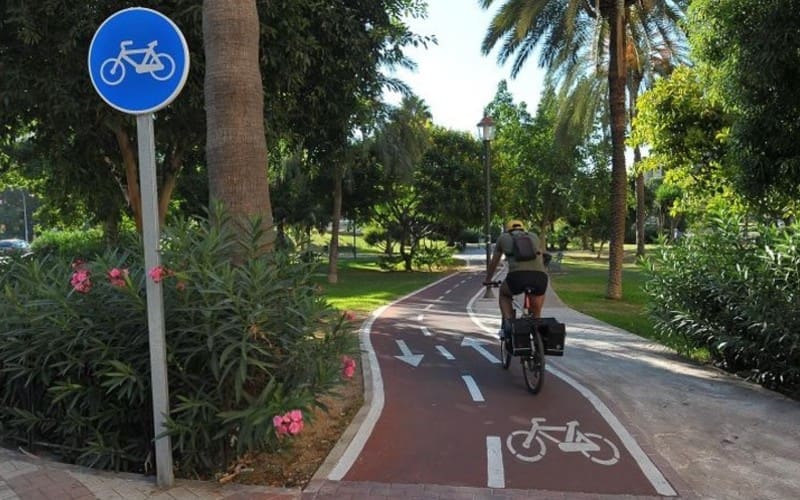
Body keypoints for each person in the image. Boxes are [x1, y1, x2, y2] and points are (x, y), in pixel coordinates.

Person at [484, 219, 549, 339]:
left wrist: (488, 279)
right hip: (540, 277)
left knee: (504, 294)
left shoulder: (503, 238)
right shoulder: (534, 236)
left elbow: (494, 262)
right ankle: (538, 343)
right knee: (536, 313)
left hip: (517, 277)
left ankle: (508, 325)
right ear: (523, 228)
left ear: (508, 229)